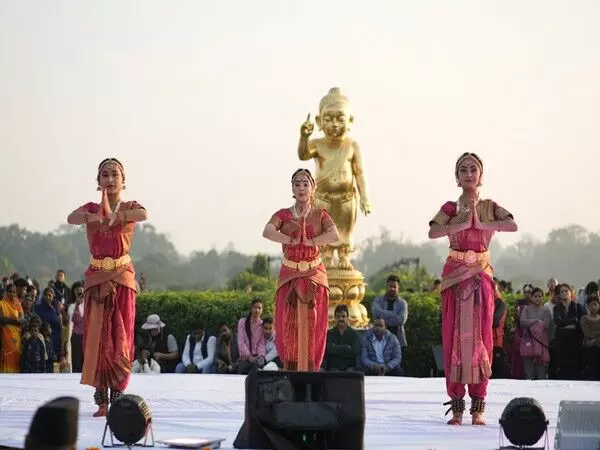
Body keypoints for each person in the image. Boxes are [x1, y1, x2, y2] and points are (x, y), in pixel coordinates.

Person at [428, 152, 517, 426]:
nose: (469, 174)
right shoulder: (450, 207)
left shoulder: (490, 206)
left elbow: (512, 225)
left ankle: (478, 407)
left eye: (474, 169)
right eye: (463, 170)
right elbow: (433, 232)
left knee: (482, 339)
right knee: (453, 337)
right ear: (457, 177)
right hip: (454, 278)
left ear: (481, 175)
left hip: (481, 277)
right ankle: (456, 408)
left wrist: (482, 223)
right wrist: (463, 223)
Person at [66, 157, 147, 417]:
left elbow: (144, 214)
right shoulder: (90, 208)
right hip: (97, 276)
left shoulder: (131, 206)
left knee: (122, 339)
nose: (110, 180)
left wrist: (117, 217)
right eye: (104, 175)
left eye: (114, 174)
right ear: (98, 181)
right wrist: (95, 217)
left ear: (123, 180)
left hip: (122, 277)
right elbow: (71, 218)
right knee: (97, 337)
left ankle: (119, 396)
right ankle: (101, 400)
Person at [262, 168, 340, 371]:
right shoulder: (283, 215)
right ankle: (290, 371)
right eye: (297, 184)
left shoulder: (320, 214)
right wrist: (290, 239)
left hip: (314, 274)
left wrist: (312, 241)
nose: (301, 188)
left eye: (306, 183)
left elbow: (334, 235)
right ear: (292, 189)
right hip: (290, 274)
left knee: (314, 325)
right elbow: (267, 231)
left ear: (313, 188)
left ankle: (311, 373)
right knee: (286, 323)